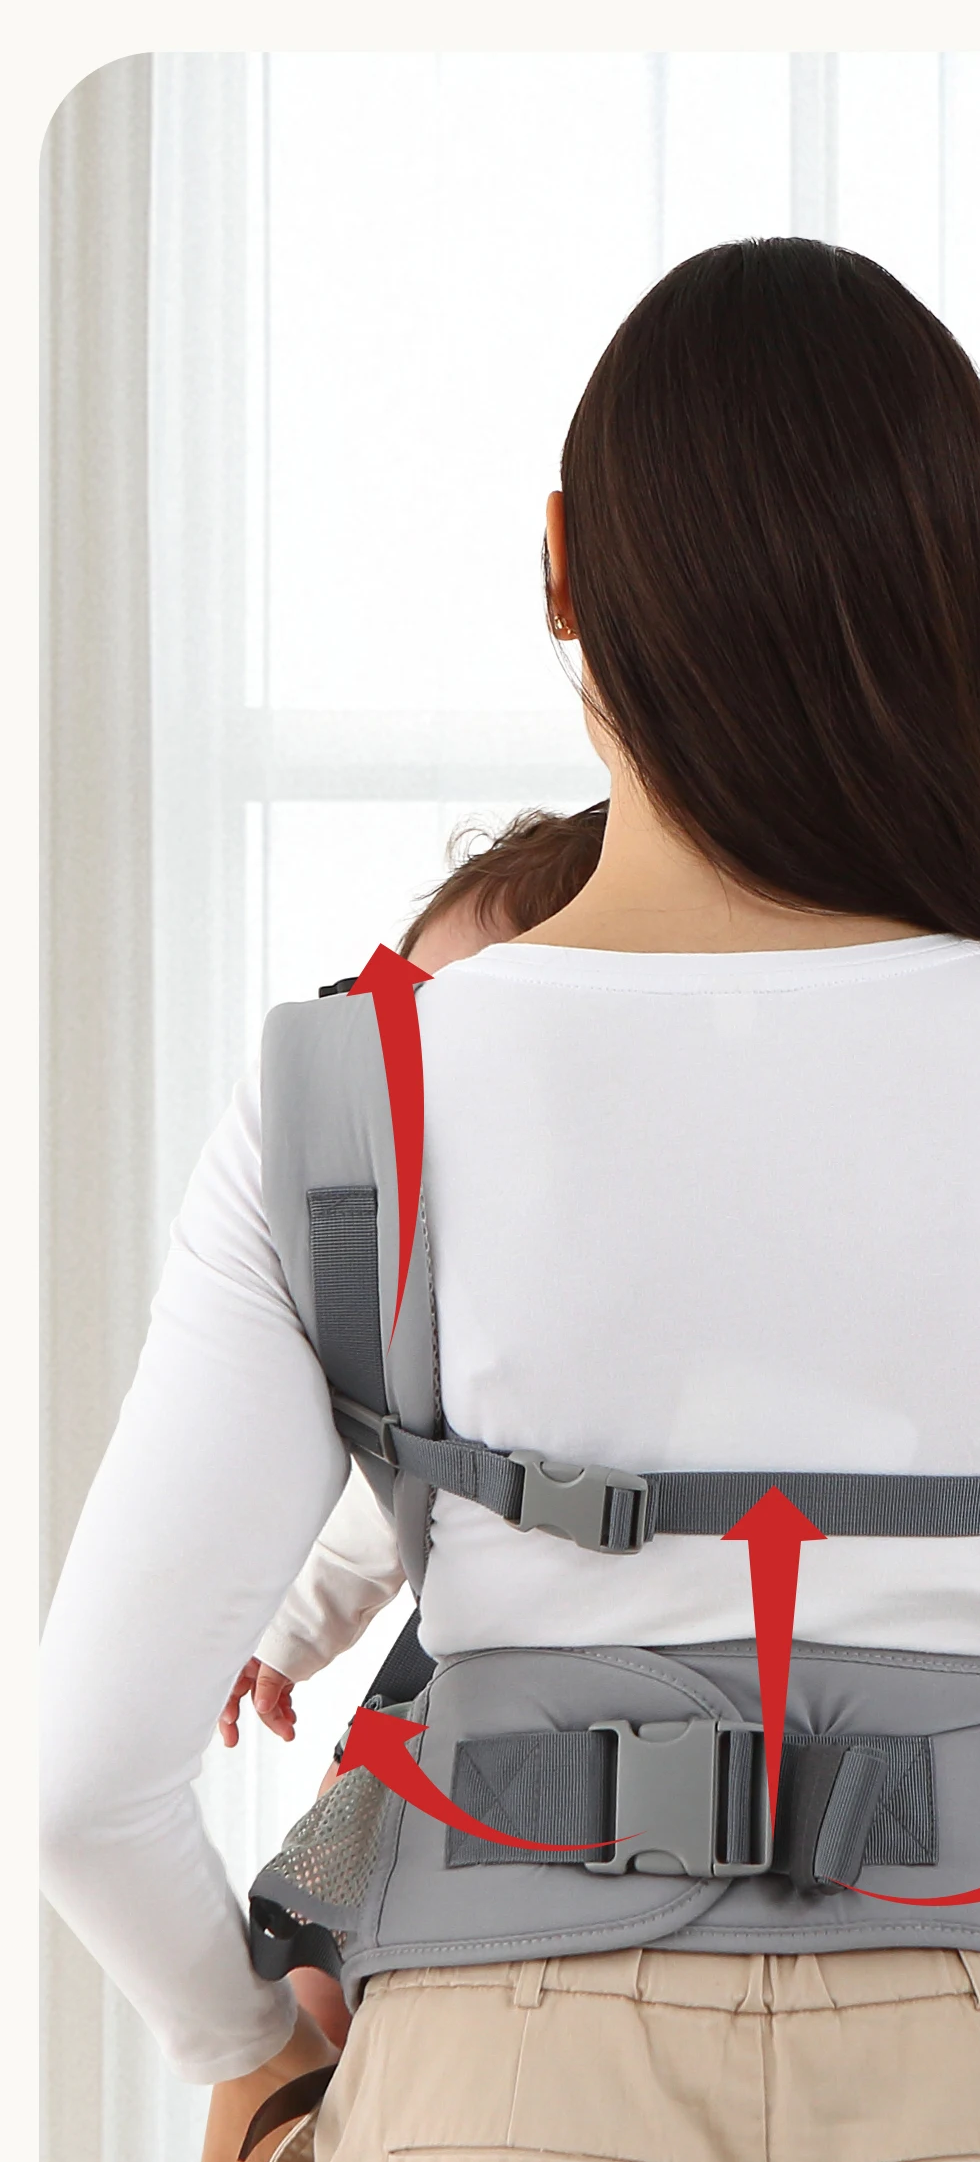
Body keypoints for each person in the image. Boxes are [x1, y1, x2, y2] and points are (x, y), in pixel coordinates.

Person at [40, 238, 980, 2162]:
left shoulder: (353, 1098)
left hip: (496, 2109)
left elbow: (88, 1785)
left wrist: (246, 2052)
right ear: (970, 597)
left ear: (559, 568)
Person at [215, 805, 608, 2051]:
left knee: (370, 1891)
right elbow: (391, 1505)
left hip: (537, 1681)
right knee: (323, 1910)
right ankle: (316, 2063)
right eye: (390, 1012)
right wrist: (286, 1632)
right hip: (460, 1659)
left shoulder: (563, 1267)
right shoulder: (430, 1278)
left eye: (445, 1031)